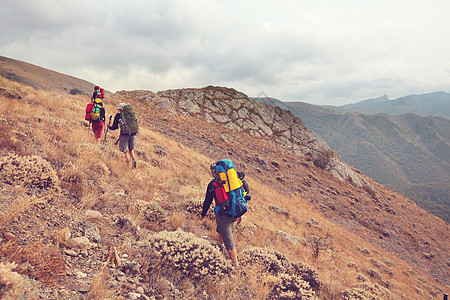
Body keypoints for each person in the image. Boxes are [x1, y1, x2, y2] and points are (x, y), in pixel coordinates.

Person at [201, 162, 242, 267]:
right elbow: (239, 196)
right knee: (221, 228)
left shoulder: (213, 184)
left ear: (214, 172)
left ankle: (235, 264)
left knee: (229, 240)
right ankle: (220, 245)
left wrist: (202, 215)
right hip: (235, 212)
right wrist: (239, 214)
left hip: (223, 215)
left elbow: (207, 201)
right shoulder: (232, 182)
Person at [107, 103, 137, 168]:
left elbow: (114, 127)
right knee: (131, 149)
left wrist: (109, 127)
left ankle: (128, 166)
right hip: (133, 134)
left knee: (125, 151)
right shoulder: (131, 114)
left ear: (119, 109)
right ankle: (133, 159)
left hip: (124, 135)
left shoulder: (118, 115)